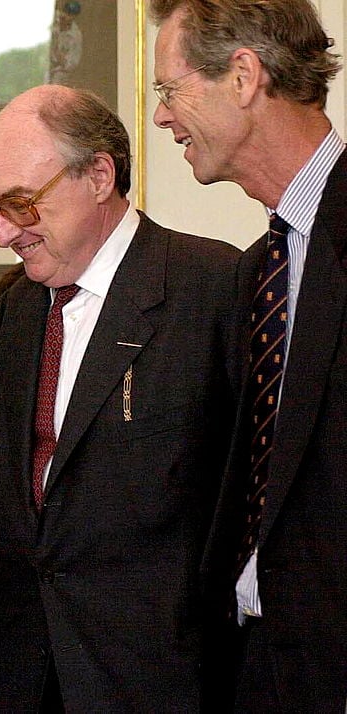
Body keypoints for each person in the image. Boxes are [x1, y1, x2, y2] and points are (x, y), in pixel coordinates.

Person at [0, 85, 241, 712]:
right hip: (26, 678)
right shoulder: (18, 306)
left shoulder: (210, 288)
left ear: (99, 175)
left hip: (158, 679)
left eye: (20, 204)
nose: (5, 232)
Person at [151, 1, 347, 709]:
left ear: (242, 76)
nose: (162, 119)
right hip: (253, 666)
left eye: (168, 91)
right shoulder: (253, 274)